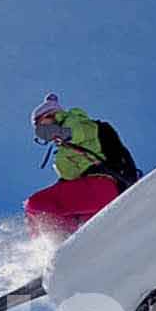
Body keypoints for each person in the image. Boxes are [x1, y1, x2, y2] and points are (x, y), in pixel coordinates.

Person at [23, 93, 129, 238]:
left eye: (42, 125)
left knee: (35, 205)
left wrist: (61, 132)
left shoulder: (75, 120)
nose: (41, 131)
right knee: (77, 229)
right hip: (97, 200)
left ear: (53, 115)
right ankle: (67, 251)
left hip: (100, 187)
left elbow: (78, 132)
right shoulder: (64, 149)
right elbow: (69, 177)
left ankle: (46, 247)